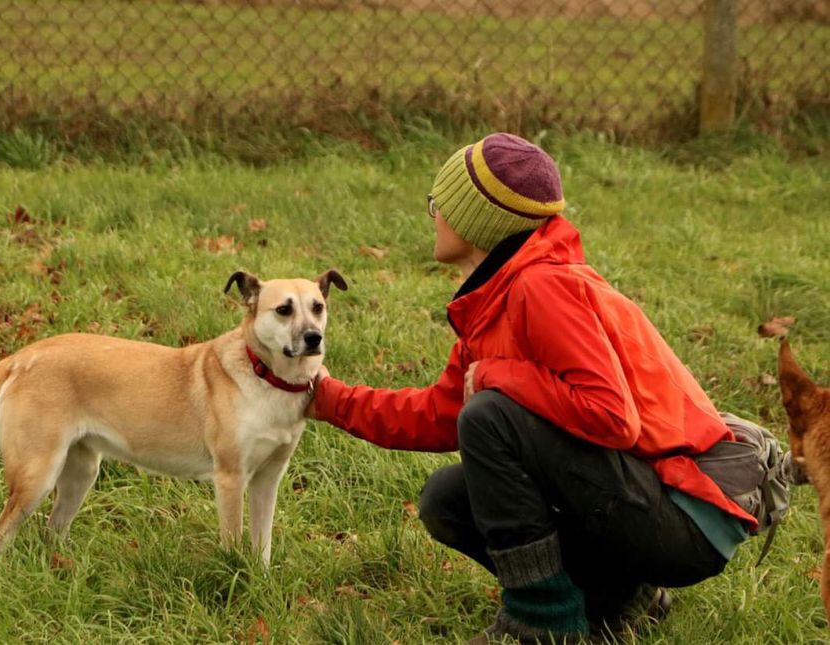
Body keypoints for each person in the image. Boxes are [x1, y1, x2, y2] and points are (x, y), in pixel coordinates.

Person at [306, 133, 755, 643]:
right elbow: (443, 412)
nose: (433, 216)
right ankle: (622, 596)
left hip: (686, 517)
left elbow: (611, 415)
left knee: (490, 415)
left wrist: (499, 377)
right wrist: (329, 399)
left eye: (440, 204)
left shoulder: (541, 286)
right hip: (646, 499)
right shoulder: (497, 294)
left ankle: (541, 623)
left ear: (477, 221)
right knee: (447, 497)